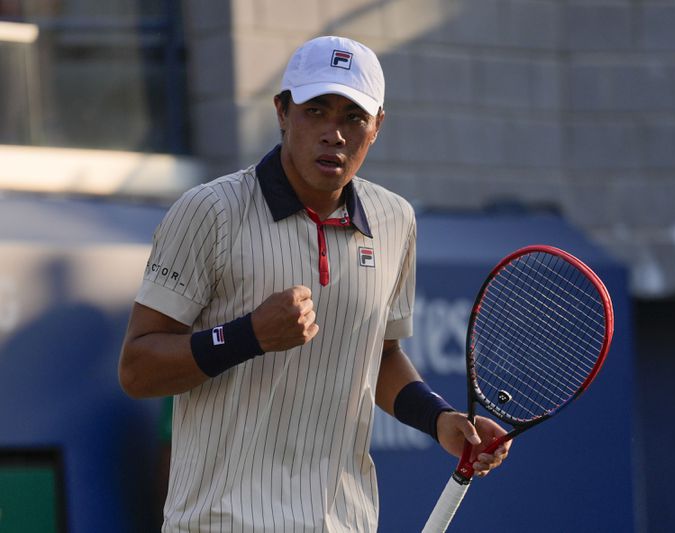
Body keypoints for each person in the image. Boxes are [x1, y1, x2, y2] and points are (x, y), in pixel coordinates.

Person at [118, 35, 511, 532]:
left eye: (353, 117)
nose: (334, 134)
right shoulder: (208, 212)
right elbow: (137, 368)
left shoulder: (396, 220)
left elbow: (380, 354)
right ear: (283, 112)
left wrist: (439, 419)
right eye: (316, 111)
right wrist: (248, 336)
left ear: (377, 127)